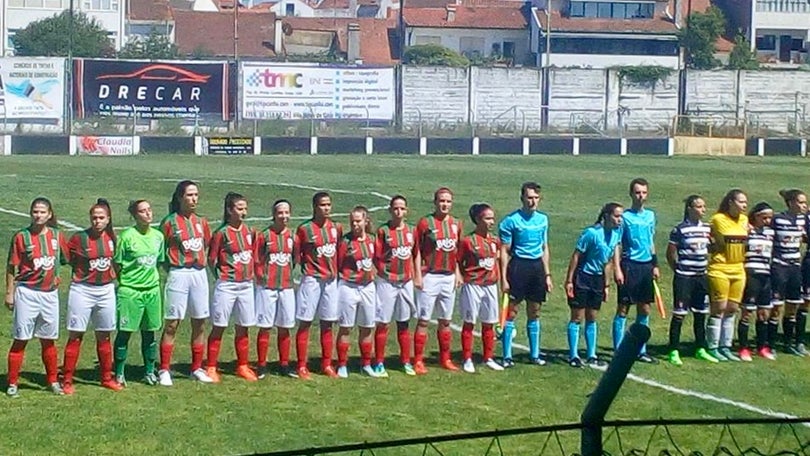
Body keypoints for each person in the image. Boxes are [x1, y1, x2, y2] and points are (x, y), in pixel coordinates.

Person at [5, 197, 67, 397]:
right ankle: (13, 382)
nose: (38, 215)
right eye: (35, 212)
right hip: (27, 293)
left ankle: (52, 381)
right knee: (21, 338)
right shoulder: (21, 237)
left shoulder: (57, 236)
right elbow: (11, 266)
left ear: (49, 214)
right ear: (31, 213)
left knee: (48, 340)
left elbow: (67, 259)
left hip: (49, 295)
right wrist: (9, 292)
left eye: (42, 212)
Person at [61, 199, 123, 395]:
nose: (97, 221)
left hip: (105, 290)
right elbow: (68, 259)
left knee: (104, 335)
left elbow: (117, 264)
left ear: (108, 219)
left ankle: (106, 377)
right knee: (76, 334)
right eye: (94, 218)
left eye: (101, 218)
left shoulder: (113, 238)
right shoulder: (79, 238)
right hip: (82, 289)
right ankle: (68, 380)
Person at [159, 180, 214, 386]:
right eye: (190, 195)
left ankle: (196, 368)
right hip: (179, 273)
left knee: (200, 322)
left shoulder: (202, 222)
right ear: (180, 197)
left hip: (199, 274)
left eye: (196, 195)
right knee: (172, 323)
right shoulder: (169, 222)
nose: (194, 199)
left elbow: (205, 244)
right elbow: (161, 249)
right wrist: (172, 268)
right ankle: (164, 369)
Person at [498, 182, 551, 367]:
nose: (533, 201)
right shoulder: (510, 221)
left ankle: (534, 354)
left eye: (536, 198)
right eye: (529, 197)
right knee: (512, 311)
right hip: (519, 266)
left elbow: (545, 247)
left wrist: (547, 275)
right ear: (522, 198)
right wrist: (504, 278)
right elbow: (504, 251)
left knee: (535, 311)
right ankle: (507, 356)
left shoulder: (543, 220)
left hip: (536, 268)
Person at [113, 199, 166, 386]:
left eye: (149, 210)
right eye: (143, 211)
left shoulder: (158, 236)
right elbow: (117, 264)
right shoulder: (126, 237)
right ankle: (119, 372)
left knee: (150, 333)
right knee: (125, 332)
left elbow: (159, 261)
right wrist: (127, 283)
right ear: (135, 216)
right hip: (130, 292)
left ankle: (149, 371)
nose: (148, 214)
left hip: (151, 291)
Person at [564, 203, 623, 368]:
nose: (619, 220)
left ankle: (591, 354)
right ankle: (574, 355)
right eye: (617, 216)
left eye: (621, 217)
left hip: (597, 279)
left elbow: (608, 262)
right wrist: (569, 281)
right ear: (607, 216)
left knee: (592, 317)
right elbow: (576, 256)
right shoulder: (591, 233)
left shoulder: (616, 235)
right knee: (577, 316)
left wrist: (606, 284)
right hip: (583, 277)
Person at [206, 192, 258, 382]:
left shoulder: (250, 231)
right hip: (227, 284)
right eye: (239, 208)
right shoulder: (221, 233)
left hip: (246, 285)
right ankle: (211, 366)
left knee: (244, 326)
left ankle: (242, 365)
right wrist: (220, 277)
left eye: (245, 208)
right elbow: (211, 259)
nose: (243, 212)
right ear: (229, 210)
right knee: (219, 325)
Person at [413, 187, 463, 374]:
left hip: (448, 277)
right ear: (435, 202)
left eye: (448, 201)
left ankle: (445, 358)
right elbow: (416, 250)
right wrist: (418, 274)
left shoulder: (456, 224)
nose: (445, 204)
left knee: (446, 320)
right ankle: (418, 360)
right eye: (442, 201)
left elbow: (456, 251)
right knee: (424, 320)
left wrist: (457, 272)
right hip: (430, 276)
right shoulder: (425, 223)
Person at [295, 191, 342, 379]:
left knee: (328, 323)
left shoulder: (336, 227)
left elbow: (338, 251)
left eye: (329, 205)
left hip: (331, 281)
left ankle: (327, 364)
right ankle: (301, 365)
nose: (327, 208)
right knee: (305, 322)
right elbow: (297, 254)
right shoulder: (305, 229)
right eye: (323, 205)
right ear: (315, 207)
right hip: (312, 280)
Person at [665, 195, 716, 366]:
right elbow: (670, 253)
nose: (703, 209)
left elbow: (713, 247)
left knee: (701, 313)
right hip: (684, 277)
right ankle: (673, 349)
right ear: (690, 209)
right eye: (699, 206)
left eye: (704, 206)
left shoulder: (707, 229)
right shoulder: (679, 229)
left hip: (701, 277)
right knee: (680, 314)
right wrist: (679, 270)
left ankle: (700, 348)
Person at [613, 178, 658, 364]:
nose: (641, 196)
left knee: (645, 308)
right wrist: (617, 269)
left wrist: (655, 265)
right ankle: (618, 350)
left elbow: (651, 241)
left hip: (646, 265)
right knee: (623, 308)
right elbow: (617, 244)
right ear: (631, 194)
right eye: (638, 193)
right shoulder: (625, 218)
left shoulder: (650, 216)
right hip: (629, 265)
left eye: (644, 193)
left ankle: (641, 349)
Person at [458, 203, 504, 373]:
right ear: (478, 220)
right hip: (473, 285)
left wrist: (501, 281)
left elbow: (498, 261)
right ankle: (467, 359)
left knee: (489, 323)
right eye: (488, 218)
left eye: (492, 218)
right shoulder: (467, 241)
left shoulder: (495, 241)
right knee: (469, 322)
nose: (492, 222)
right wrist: (460, 277)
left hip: (490, 285)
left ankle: (488, 357)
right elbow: (458, 261)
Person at [374, 195, 416, 377]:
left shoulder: (411, 230)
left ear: (406, 211)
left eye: (402, 209)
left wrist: (415, 276)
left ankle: (406, 361)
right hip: (387, 282)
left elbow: (415, 254)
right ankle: (379, 362)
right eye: (395, 208)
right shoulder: (383, 231)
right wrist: (384, 273)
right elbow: (375, 256)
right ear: (390, 210)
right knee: (383, 322)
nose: (399, 212)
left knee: (404, 322)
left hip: (406, 282)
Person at [254, 199, 296, 378]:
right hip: (267, 287)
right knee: (265, 326)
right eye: (280, 213)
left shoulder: (293, 236)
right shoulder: (264, 236)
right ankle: (262, 365)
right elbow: (256, 259)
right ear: (274, 214)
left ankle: (284, 364)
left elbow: (295, 258)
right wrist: (261, 277)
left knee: (285, 326)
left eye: (287, 213)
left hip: (286, 286)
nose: (284, 216)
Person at [706, 189, 749, 361]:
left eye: (745, 202)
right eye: (740, 201)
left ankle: (726, 346)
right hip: (720, 268)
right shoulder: (718, 219)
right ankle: (713, 346)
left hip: (738, 269)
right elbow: (721, 240)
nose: (744, 205)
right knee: (719, 308)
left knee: (732, 309)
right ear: (730, 202)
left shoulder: (744, 220)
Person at [335, 206, 378, 378]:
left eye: (358, 221)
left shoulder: (373, 240)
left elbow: (379, 259)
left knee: (367, 327)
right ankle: (342, 365)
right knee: (346, 327)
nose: (355, 224)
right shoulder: (345, 242)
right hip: (348, 287)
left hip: (368, 287)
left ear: (365, 221)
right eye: (352, 221)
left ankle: (366, 364)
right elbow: (337, 262)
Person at [771, 189, 808, 356]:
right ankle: (769, 343)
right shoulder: (777, 219)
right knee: (776, 306)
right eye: (800, 202)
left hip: (795, 267)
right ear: (791, 203)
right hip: (780, 267)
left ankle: (789, 343)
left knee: (793, 305)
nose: (804, 205)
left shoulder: (803, 219)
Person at [740, 202, 776, 360]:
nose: (768, 221)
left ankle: (762, 347)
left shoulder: (770, 233)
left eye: (770, 218)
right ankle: (743, 348)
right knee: (747, 312)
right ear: (756, 216)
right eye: (764, 217)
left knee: (764, 313)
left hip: (766, 275)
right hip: (751, 274)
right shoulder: (748, 231)